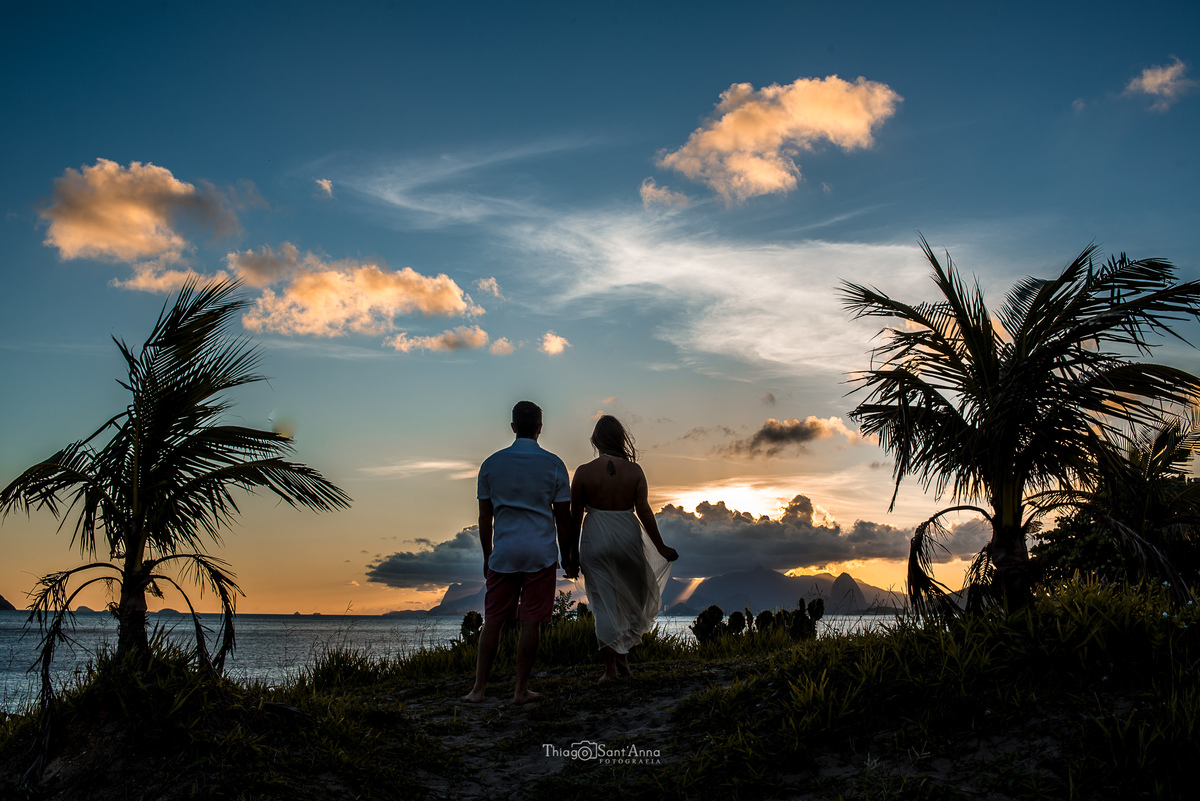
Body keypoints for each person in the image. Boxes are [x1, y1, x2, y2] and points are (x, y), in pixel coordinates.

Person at [463, 401, 572, 705]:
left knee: (494, 620)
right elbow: (564, 517)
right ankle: (520, 689)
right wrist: (568, 555)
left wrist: (488, 555)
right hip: (541, 554)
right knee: (531, 622)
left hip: (505, 553)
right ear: (540, 427)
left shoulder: (491, 464)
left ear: (512, 427)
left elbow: (485, 517)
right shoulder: (554, 464)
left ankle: (479, 689)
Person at [569, 415, 678, 681]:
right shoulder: (635, 471)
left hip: (595, 538)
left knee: (604, 605)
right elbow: (644, 512)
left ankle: (611, 670)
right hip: (627, 538)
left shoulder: (583, 472)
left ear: (595, 440)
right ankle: (623, 662)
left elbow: (574, 519)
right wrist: (660, 546)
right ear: (621, 439)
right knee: (635, 598)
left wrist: (570, 555)